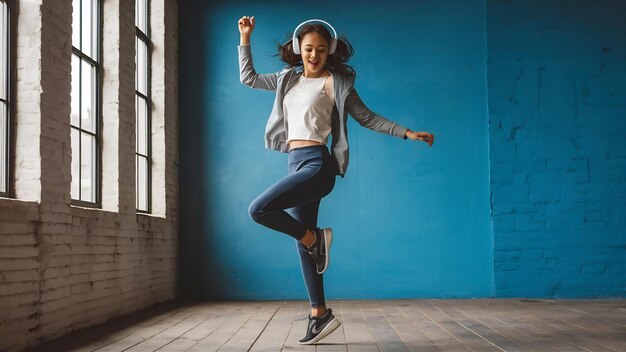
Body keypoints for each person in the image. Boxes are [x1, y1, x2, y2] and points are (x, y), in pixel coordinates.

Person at [237, 16, 435, 345]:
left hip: (317, 165)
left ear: (330, 52)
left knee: (258, 210)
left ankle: (316, 239)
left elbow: (367, 116)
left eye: (321, 49)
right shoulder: (287, 79)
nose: (314, 54)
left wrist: (407, 133)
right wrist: (245, 39)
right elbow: (249, 78)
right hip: (294, 163)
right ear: (298, 49)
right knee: (303, 246)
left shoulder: (336, 83)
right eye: (308, 48)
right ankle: (320, 314)